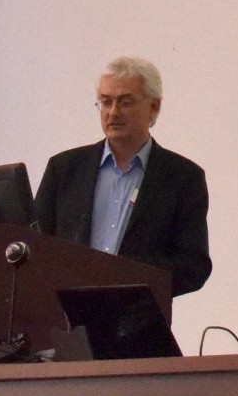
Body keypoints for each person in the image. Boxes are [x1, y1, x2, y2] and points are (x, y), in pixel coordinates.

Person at [33, 56, 210, 293]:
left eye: (125, 103)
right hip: (66, 311)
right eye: (106, 102)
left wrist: (125, 277)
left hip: (136, 311)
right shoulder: (64, 169)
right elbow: (34, 245)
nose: (113, 112)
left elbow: (193, 266)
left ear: (154, 107)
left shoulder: (183, 178)